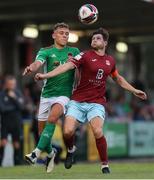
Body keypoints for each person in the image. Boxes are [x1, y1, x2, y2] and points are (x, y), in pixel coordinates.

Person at [35, 27, 147, 174]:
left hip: (97, 103)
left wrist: (134, 90)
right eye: (93, 38)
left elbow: (118, 78)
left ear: (105, 43)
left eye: (98, 38)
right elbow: (67, 66)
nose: (94, 40)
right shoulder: (84, 55)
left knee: (97, 130)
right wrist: (46, 75)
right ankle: (70, 149)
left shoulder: (110, 61)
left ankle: (104, 164)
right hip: (77, 101)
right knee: (67, 132)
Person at [23, 22, 80, 173]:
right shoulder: (46, 51)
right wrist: (31, 67)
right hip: (47, 94)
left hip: (64, 94)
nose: (64, 35)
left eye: (67, 33)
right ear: (54, 35)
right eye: (61, 33)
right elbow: (38, 63)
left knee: (53, 118)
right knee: (42, 133)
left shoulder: (74, 51)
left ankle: (35, 154)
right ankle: (51, 153)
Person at [0, 75, 24, 166]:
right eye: (10, 84)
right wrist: (14, 108)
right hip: (5, 122)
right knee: (3, 142)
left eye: (13, 84)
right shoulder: (2, 94)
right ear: (6, 84)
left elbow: (22, 107)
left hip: (16, 122)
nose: (12, 86)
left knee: (16, 143)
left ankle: (17, 163)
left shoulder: (17, 93)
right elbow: (2, 109)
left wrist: (14, 98)